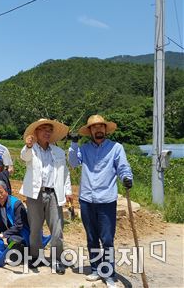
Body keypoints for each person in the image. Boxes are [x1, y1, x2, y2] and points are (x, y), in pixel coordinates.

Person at [69, 115, 133, 288]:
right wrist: (74, 144)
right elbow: (74, 163)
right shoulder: (85, 148)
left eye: (101, 127)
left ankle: (109, 274)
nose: (98, 130)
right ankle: (96, 269)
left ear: (105, 129)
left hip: (106, 200)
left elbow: (123, 167)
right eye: (94, 127)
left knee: (106, 239)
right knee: (91, 238)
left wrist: (127, 178)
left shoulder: (116, 148)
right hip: (86, 199)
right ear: (90, 131)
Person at [20, 118, 71, 274]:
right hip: (35, 194)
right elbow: (24, 157)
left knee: (57, 229)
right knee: (35, 228)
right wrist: (28, 145)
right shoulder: (30, 149)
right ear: (36, 132)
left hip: (54, 193)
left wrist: (68, 191)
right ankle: (36, 257)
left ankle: (56, 260)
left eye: (50, 130)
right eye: (43, 129)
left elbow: (65, 173)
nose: (47, 132)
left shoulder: (59, 152)